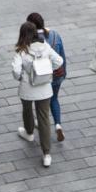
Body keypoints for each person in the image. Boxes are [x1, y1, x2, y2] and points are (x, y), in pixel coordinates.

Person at [12, 22, 63, 167]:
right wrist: (48, 71)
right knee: (44, 118)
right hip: (45, 88)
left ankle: (29, 133)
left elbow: (16, 71)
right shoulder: (45, 46)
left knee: (27, 110)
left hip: (27, 87)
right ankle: (46, 154)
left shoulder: (21, 51)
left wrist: (22, 77)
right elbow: (59, 61)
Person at [26, 13, 67, 142]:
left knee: (41, 104)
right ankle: (58, 124)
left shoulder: (29, 39)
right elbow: (62, 55)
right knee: (54, 99)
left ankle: (39, 126)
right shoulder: (54, 35)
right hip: (56, 75)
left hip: (40, 77)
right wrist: (64, 72)